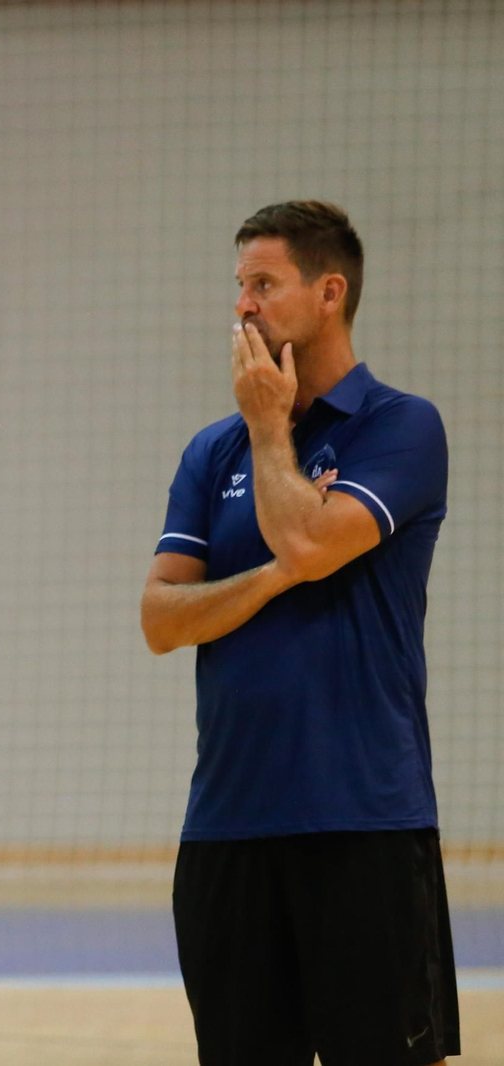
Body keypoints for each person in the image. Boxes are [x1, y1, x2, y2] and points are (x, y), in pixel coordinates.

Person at [141, 201, 457, 1066]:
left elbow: (310, 537)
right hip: (227, 828)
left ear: (329, 292)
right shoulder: (214, 452)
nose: (243, 306)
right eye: (239, 287)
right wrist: (284, 574)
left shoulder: (401, 425)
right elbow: (161, 619)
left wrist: (272, 429)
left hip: (364, 822)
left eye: (263, 285)